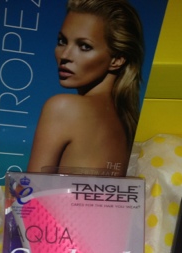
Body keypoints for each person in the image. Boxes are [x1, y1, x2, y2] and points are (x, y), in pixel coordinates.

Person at [27, 0, 145, 176]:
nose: (65, 55)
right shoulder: (127, 122)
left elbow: (30, 191)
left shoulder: (63, 107)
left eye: (84, 46)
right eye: (62, 41)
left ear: (117, 59)